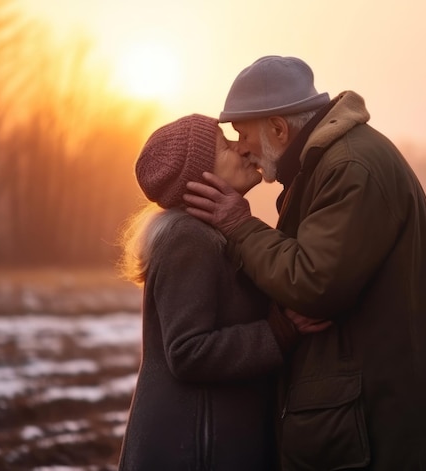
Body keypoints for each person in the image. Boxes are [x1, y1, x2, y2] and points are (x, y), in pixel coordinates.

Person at [183, 56, 426, 470]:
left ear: (277, 128)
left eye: (243, 132)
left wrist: (239, 226)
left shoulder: (348, 168)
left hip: (384, 434)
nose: (242, 146)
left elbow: (313, 284)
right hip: (370, 424)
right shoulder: (325, 165)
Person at [116, 114, 329, 471]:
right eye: (226, 146)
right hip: (193, 450)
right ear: (200, 180)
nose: (243, 151)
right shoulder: (189, 239)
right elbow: (187, 351)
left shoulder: (216, 234)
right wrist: (279, 333)